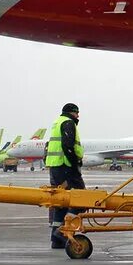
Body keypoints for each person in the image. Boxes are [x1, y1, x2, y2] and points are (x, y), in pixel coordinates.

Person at [46, 102, 85, 248]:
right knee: (81, 199)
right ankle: (62, 232)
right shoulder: (68, 123)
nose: (78, 116)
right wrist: (74, 164)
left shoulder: (57, 122)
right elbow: (67, 146)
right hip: (65, 166)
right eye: (77, 112)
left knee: (61, 203)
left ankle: (56, 240)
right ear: (72, 112)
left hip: (55, 166)